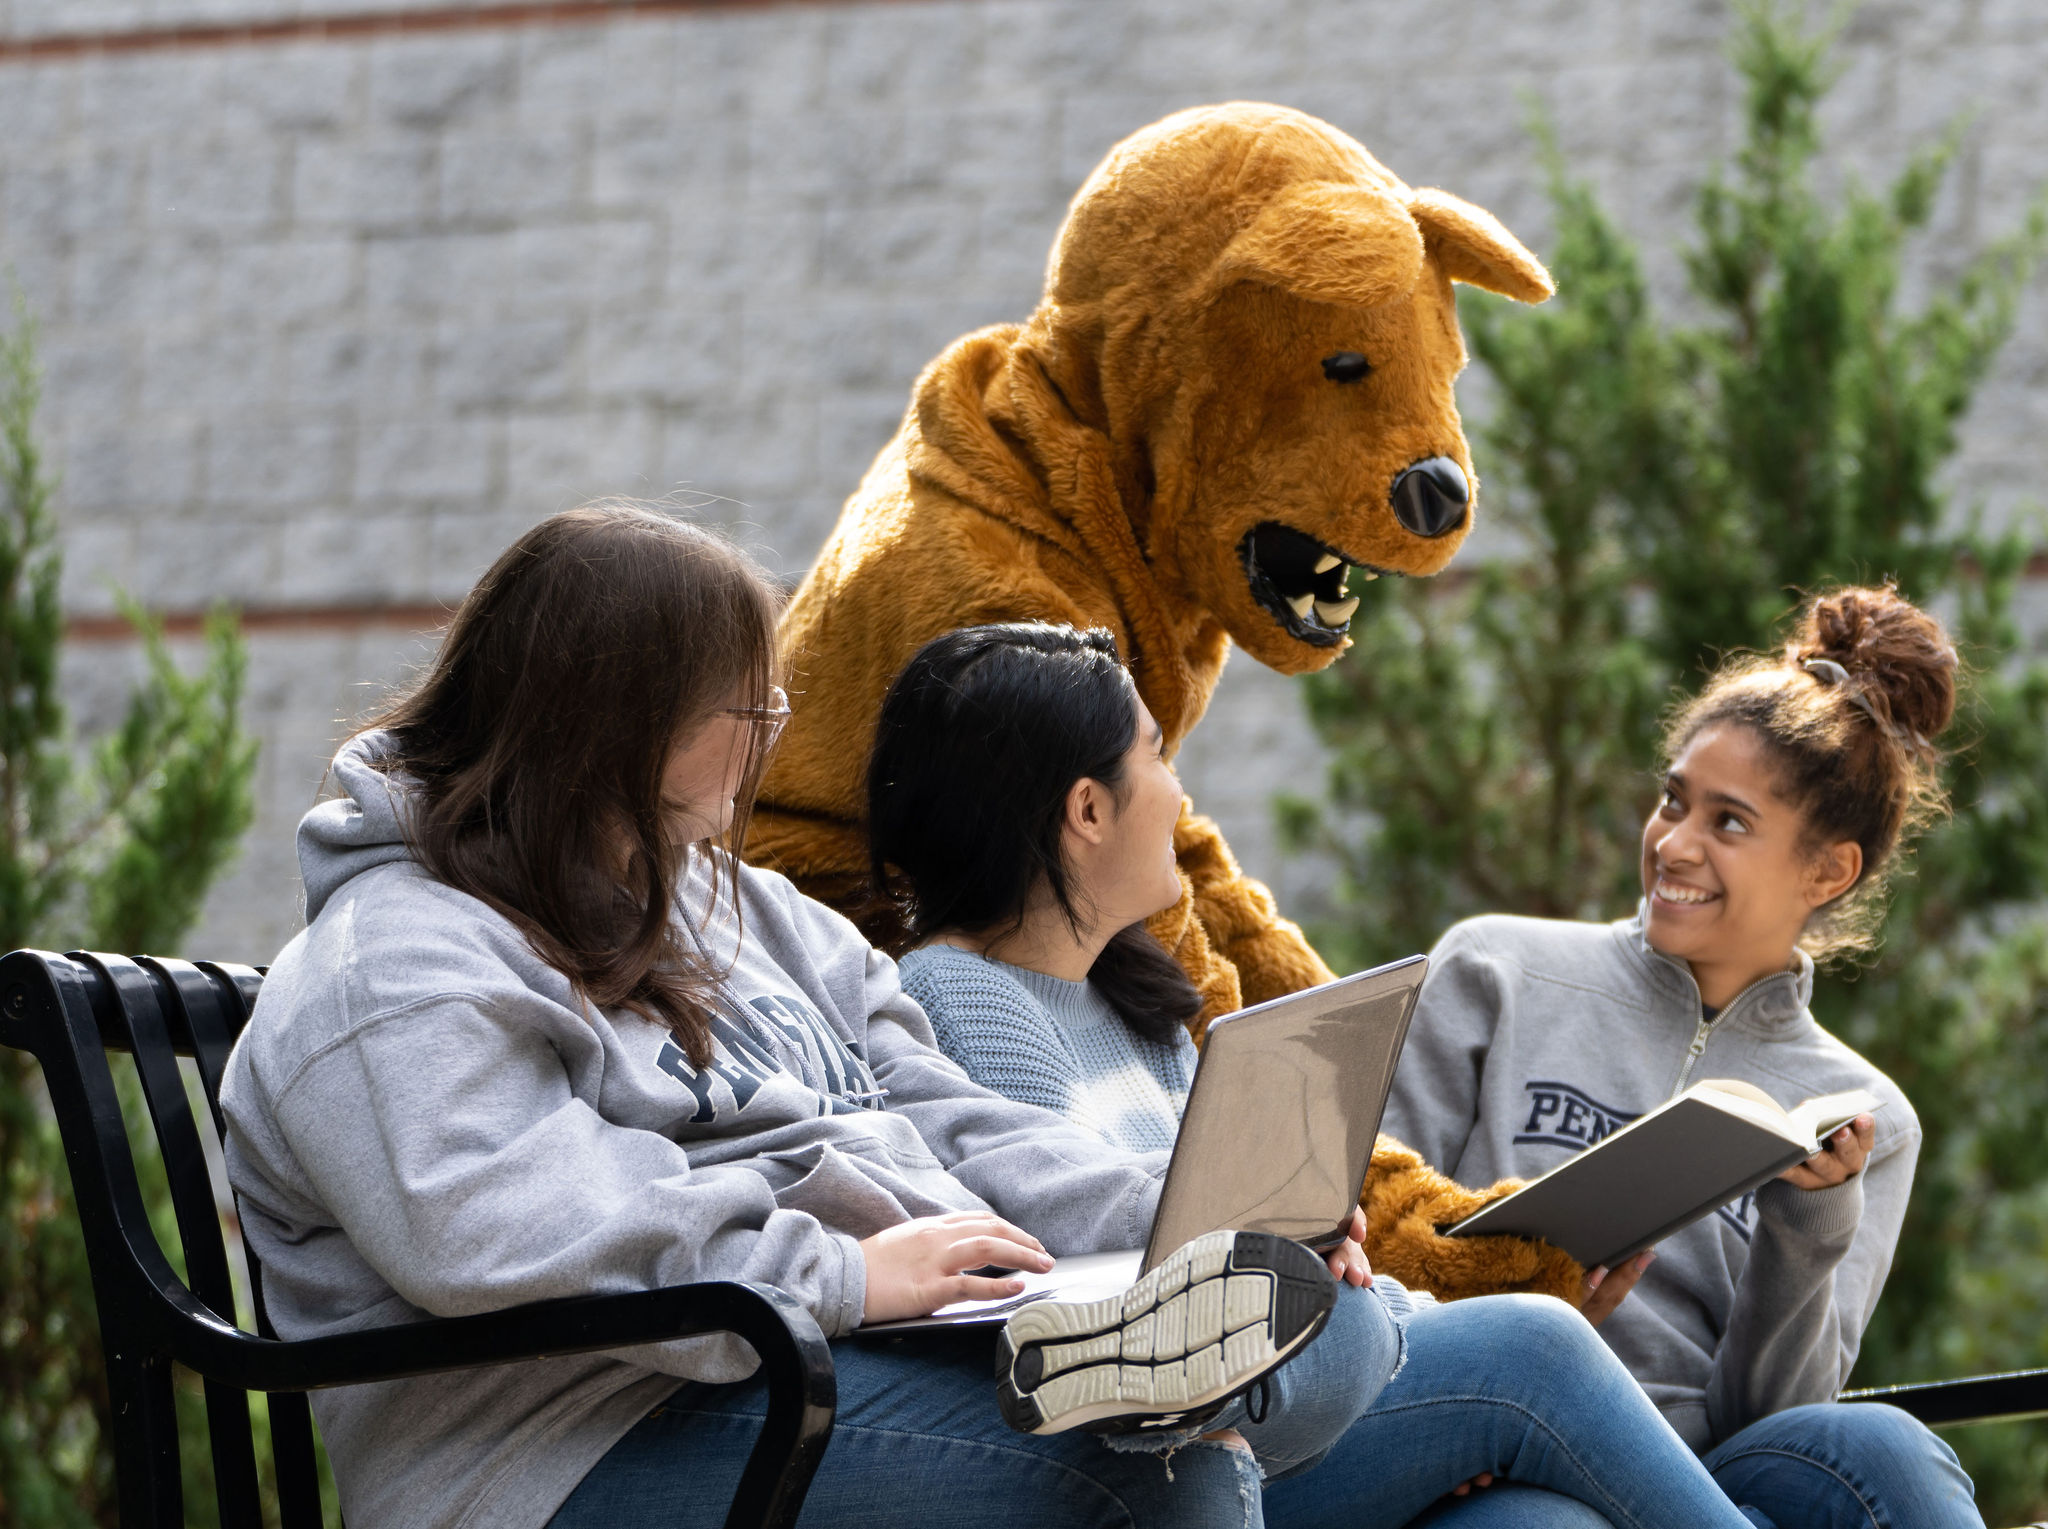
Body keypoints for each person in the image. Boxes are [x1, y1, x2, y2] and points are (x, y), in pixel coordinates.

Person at [219, 503, 1453, 1529]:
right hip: (561, 1448)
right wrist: (842, 1275)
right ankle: (1163, 1380)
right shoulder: (393, 962)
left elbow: (943, 1115)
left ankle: (1167, 1359)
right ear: (623, 721)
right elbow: (496, 1233)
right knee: (1146, 1473)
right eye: (746, 711)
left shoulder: (739, 910)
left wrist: (1188, 1207)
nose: (771, 739)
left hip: (801, 1363)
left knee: (1321, 1348)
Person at [864, 620, 1766, 1529]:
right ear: (1087, 810)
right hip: (1172, 1444)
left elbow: (1230, 1222)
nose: (1179, 793)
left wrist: (1342, 1262)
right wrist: (1283, 1234)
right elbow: (1093, 1238)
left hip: (1299, 1385)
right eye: (1157, 756)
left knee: (1535, 1523)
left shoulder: (1130, 999)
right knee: (1537, 1345)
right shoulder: (956, 995)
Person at [1378, 585, 1983, 1528]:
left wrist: (1808, 1226)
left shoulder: (1867, 1113)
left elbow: (1772, 1419)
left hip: (1700, 1467)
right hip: (1490, 1447)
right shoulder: (1497, 967)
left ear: (1827, 870)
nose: (1675, 844)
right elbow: (1368, 1223)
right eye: (1673, 802)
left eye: (1728, 822)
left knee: (1889, 1451)